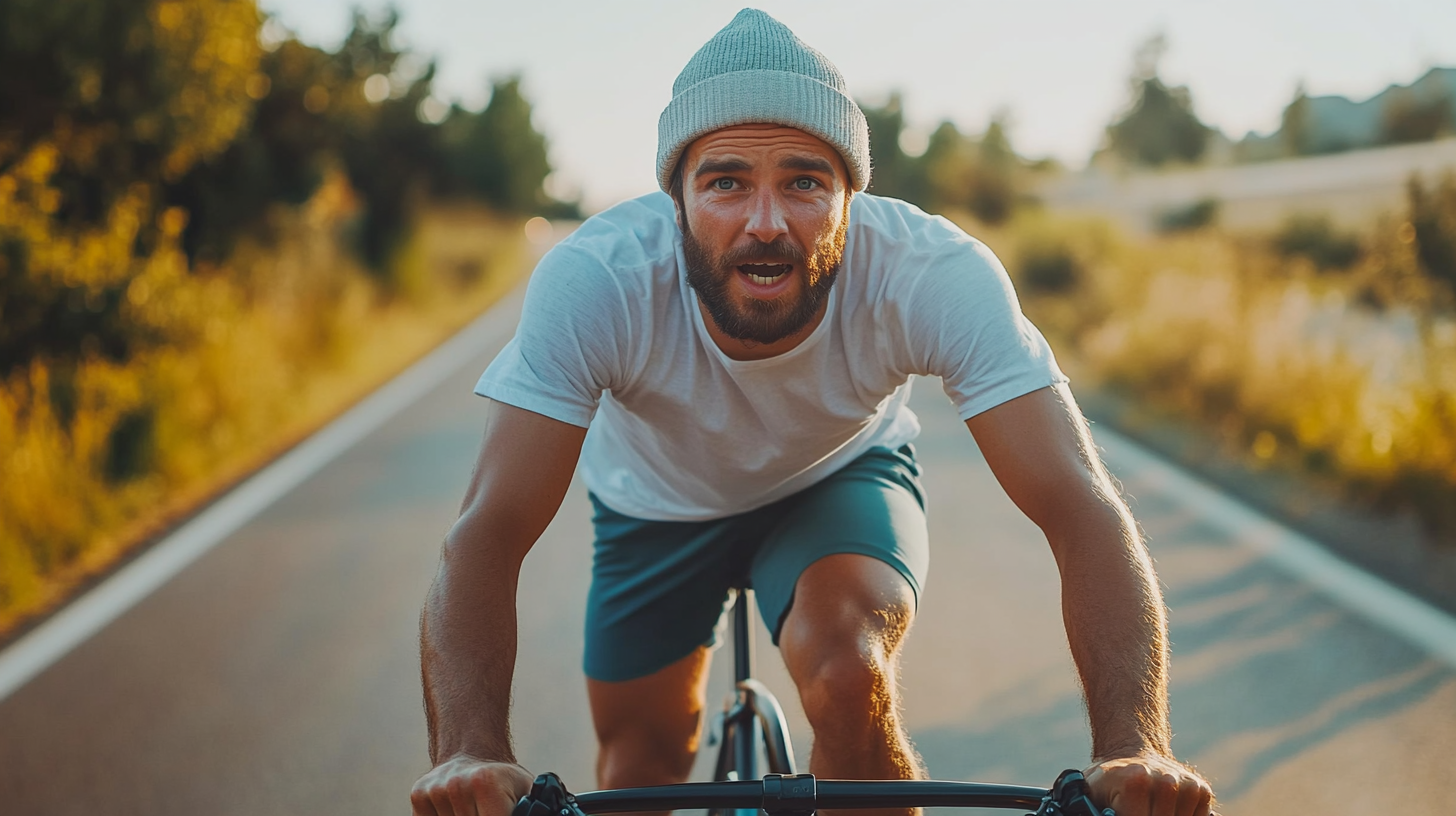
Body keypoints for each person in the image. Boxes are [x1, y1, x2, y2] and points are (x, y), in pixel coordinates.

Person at [410, 9, 1216, 816]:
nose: (766, 224)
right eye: (725, 181)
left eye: (804, 181)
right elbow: (487, 531)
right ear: (677, 198)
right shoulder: (598, 280)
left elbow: (1082, 507)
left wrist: (1133, 743)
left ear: (850, 196)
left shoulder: (930, 272)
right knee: (636, 769)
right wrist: (470, 750)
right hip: (653, 504)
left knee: (848, 673)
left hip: (839, 476)